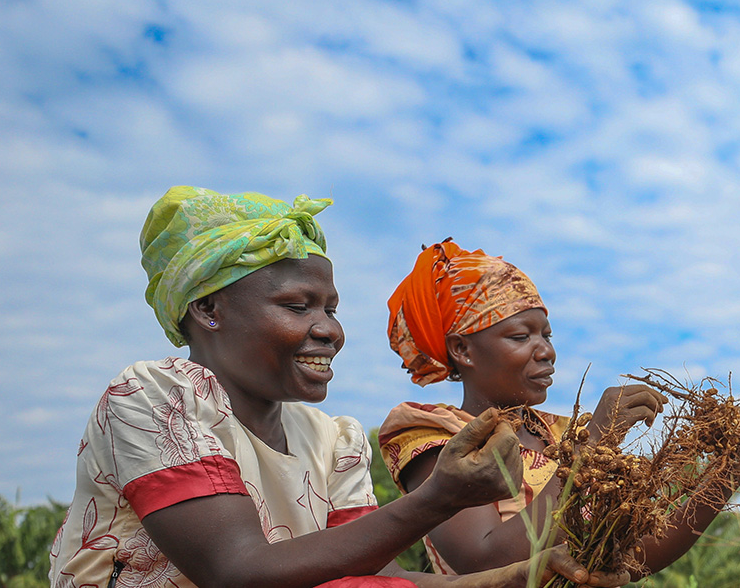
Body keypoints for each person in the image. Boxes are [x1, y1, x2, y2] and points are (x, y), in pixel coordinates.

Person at [49, 187, 627, 588]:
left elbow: (377, 581)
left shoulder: (331, 439)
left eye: (330, 307)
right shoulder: (156, 397)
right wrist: (438, 500)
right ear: (208, 309)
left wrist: (518, 576)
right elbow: (238, 571)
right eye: (297, 306)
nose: (329, 330)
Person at [377, 240, 740, 575]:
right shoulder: (432, 433)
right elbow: (483, 559)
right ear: (462, 349)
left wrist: (722, 479)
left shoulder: (565, 435)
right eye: (521, 336)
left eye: (547, 334)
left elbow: (627, 558)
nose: (546, 351)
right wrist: (593, 447)